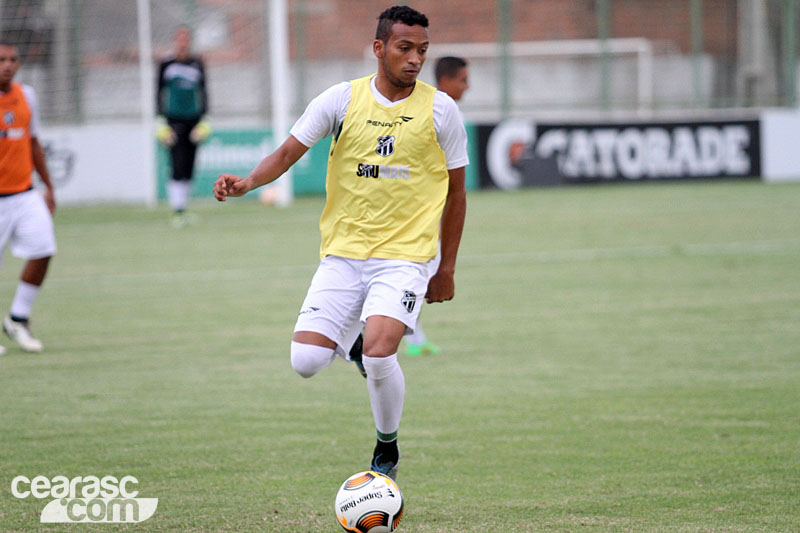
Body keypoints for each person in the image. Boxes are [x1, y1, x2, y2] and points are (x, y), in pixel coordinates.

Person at [213, 5, 467, 480]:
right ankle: (350, 349)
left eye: (422, 51)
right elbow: (288, 152)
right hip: (343, 254)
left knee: (380, 350)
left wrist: (446, 267)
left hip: (406, 259)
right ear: (379, 48)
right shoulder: (341, 100)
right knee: (305, 361)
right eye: (405, 48)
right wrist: (247, 183)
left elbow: (457, 193)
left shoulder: (441, 110)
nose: (415, 59)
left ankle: (386, 448)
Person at [403, 55, 471, 358]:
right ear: (445, 81)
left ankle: (414, 339)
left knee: (418, 279)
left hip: (430, 213)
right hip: (422, 216)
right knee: (419, 278)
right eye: (463, 80)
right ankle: (379, 336)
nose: (467, 87)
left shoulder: (438, 108)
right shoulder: (437, 111)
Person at [0, 40, 56, 354]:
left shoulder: (26, 96)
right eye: (2, 59)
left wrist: (49, 186)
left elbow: (33, 142)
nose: (8, 64)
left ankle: (17, 318)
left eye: (13, 59)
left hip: (24, 194)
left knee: (44, 248)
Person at [156, 25, 209, 227]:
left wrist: (204, 119)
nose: (183, 42)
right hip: (173, 120)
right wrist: (160, 121)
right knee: (177, 162)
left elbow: (204, 92)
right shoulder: (166, 64)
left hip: (193, 120)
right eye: (180, 38)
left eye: (186, 38)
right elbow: (158, 91)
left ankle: (183, 208)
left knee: (189, 165)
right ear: (175, 40)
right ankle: (177, 210)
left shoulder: (197, 64)